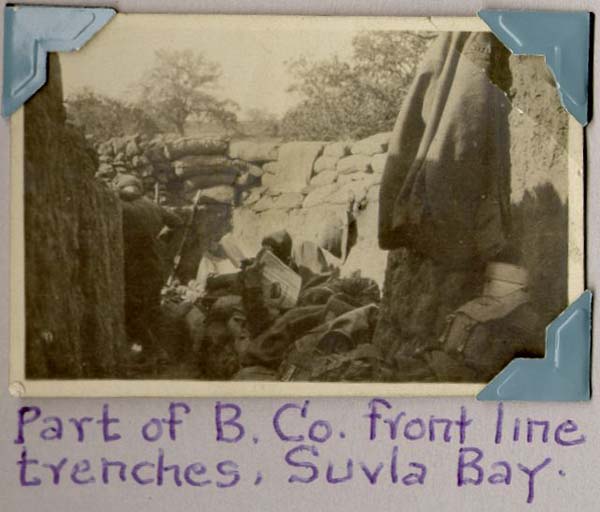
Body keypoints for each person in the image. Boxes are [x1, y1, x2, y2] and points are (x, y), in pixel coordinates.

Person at [115, 174, 183, 362]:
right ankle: (161, 351)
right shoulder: (152, 205)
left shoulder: (119, 204)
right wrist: (162, 240)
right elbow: (177, 222)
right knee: (152, 309)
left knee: (132, 311)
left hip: (134, 268)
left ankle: (154, 351)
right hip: (155, 265)